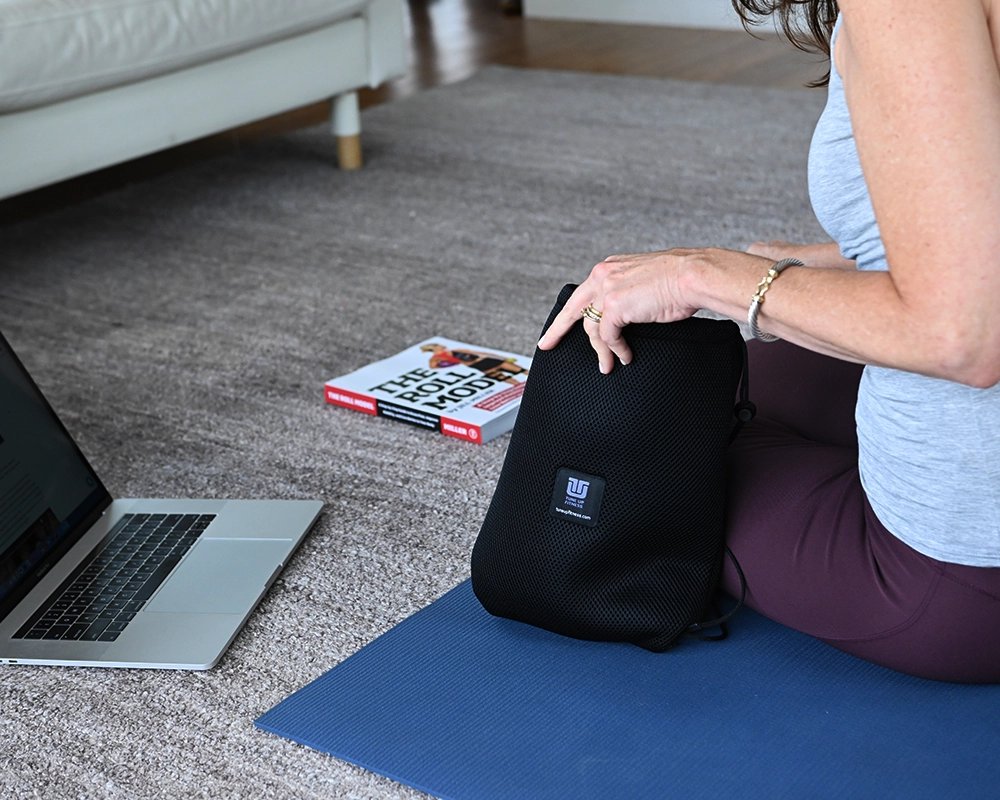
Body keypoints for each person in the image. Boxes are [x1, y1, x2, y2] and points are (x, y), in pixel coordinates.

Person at [537, 0, 1000, 683]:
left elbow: (963, 337)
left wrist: (704, 276)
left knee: (626, 440)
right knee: (721, 375)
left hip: (957, 585)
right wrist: (809, 269)